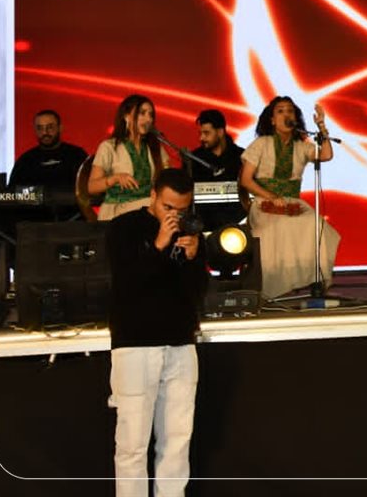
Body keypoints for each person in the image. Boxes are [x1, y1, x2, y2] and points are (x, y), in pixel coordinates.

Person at [106, 167, 207, 497]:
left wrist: (193, 258)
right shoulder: (124, 228)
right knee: (132, 444)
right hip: (136, 344)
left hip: (180, 342)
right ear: (152, 196)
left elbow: (198, 291)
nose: (175, 216)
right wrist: (159, 244)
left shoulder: (192, 231)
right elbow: (127, 284)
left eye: (182, 209)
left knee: (177, 440)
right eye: (168, 207)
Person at [239, 96, 341, 299]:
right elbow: (246, 180)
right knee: (280, 226)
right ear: (272, 120)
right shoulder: (261, 144)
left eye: (290, 111)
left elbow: (326, 155)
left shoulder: (301, 146)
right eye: (280, 111)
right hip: (264, 203)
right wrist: (271, 196)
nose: (286, 114)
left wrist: (321, 126)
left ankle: (314, 280)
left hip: (294, 203)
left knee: (316, 225)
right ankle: (276, 286)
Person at [89, 95, 170, 221]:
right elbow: (92, 188)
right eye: (142, 113)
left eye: (151, 115)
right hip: (117, 211)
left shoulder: (154, 147)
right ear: (126, 116)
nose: (148, 119)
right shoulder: (109, 147)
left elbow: (167, 177)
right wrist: (115, 178)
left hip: (148, 209)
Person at [7, 108, 88, 190]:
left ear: (60, 128)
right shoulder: (25, 161)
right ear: (35, 130)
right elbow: (11, 193)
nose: (45, 132)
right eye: (40, 128)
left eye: (50, 127)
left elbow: (89, 189)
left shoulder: (77, 155)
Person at [191, 109, 244, 182]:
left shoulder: (242, 157)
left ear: (220, 132)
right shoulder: (194, 158)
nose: (201, 138)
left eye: (206, 133)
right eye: (200, 133)